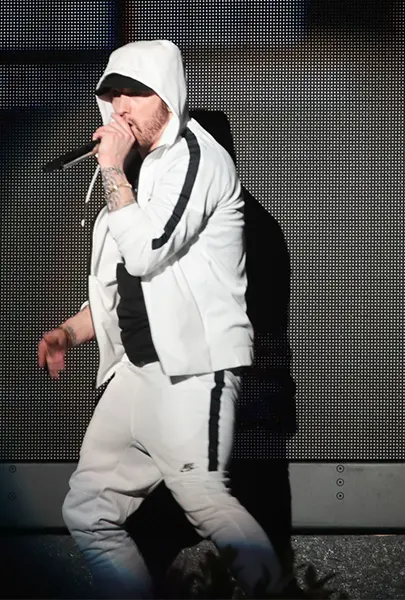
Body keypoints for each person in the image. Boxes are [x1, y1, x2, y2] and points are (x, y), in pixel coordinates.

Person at [37, 39, 284, 599]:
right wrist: (70, 332)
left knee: (203, 497)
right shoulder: (134, 174)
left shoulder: (197, 158)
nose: (122, 107)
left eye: (136, 93)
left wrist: (112, 171)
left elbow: (146, 250)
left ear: (168, 97)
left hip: (191, 371)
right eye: (113, 95)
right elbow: (123, 288)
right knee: (89, 508)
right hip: (135, 371)